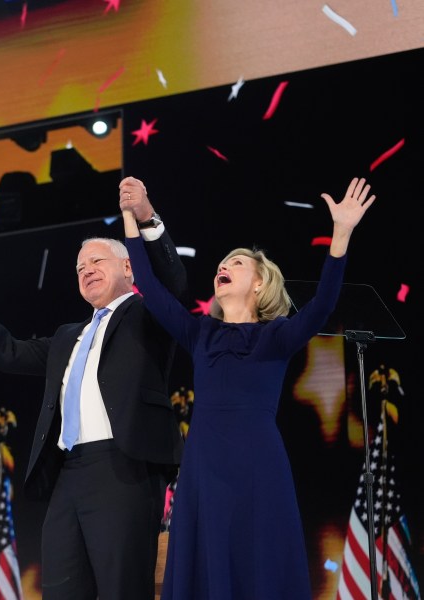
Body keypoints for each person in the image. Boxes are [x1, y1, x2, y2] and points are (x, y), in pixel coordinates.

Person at [120, 176, 375, 599]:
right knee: (203, 561)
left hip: (258, 467)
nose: (225, 266)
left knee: (257, 560)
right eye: (223, 262)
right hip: (203, 466)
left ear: (259, 283)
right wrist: (130, 216)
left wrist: (341, 233)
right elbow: (148, 285)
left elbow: (324, 305)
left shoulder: (277, 337)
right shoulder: (200, 333)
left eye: (237, 263)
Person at [0, 176, 189, 599]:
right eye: (79, 268)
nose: (86, 271)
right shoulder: (67, 336)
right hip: (68, 472)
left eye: (96, 262)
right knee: (62, 588)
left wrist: (146, 217)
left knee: (121, 588)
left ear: (129, 266)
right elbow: (7, 353)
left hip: (124, 467)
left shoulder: (148, 314)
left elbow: (170, 280)